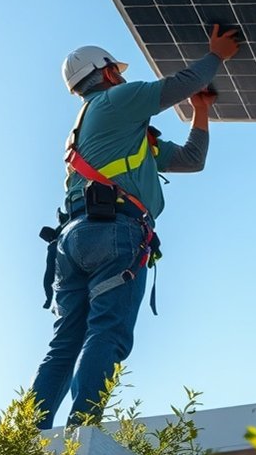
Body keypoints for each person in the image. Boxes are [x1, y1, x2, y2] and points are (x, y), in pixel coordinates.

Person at [30, 24, 239, 431]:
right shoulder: (116, 100)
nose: (124, 77)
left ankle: (26, 434)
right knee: (107, 332)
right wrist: (216, 55)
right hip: (114, 233)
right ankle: (82, 430)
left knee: (65, 343)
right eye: (118, 71)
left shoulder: (114, 132)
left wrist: (201, 111)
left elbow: (192, 160)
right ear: (107, 73)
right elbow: (179, 83)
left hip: (73, 240)